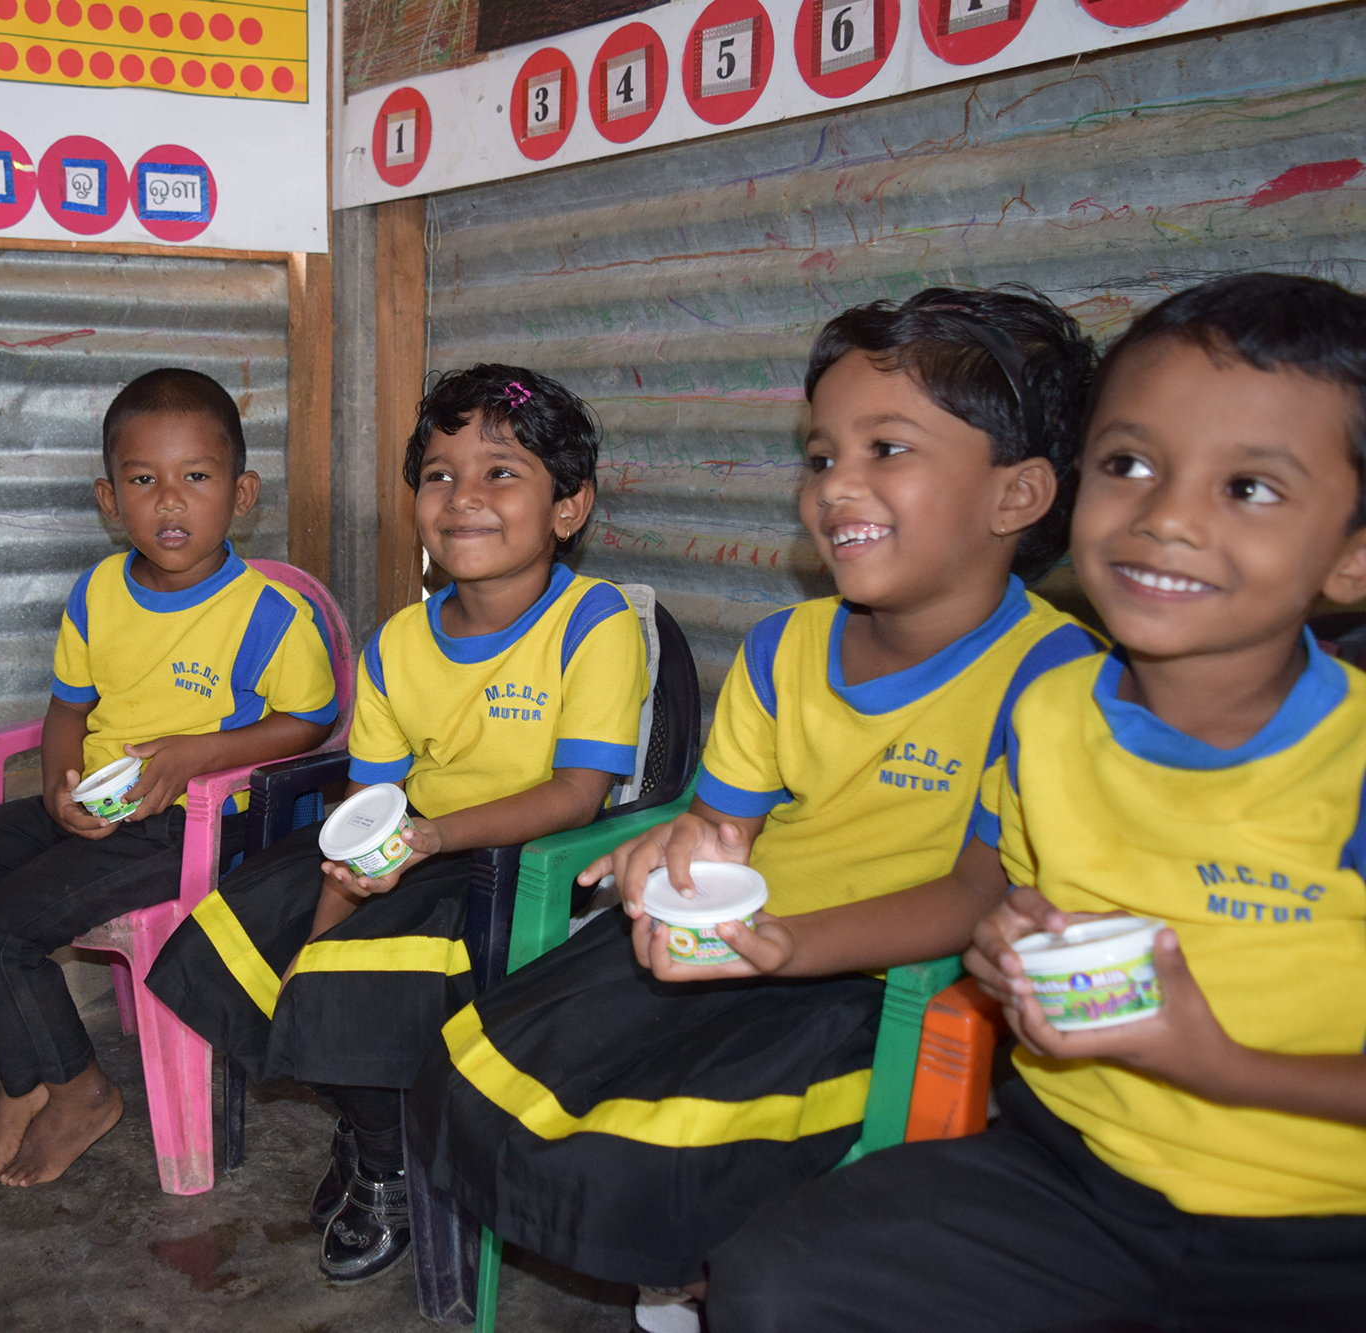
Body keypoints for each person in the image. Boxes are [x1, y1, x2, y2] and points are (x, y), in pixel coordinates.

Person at [404, 290, 1102, 1333]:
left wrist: (787, 946)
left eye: (885, 449)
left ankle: (700, 1274)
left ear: (1018, 494)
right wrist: (682, 841)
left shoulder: (1056, 679)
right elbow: (727, 817)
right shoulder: (785, 646)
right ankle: (685, 1268)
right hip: (740, 936)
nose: (836, 485)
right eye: (821, 457)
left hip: (876, 984)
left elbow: (977, 891)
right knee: (476, 1066)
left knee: (646, 1149)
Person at [707, 274, 1366, 1333]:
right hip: (1073, 1174)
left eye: (1247, 486)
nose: (1164, 517)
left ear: (1351, 555)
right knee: (774, 1282)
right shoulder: (1050, 714)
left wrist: (1222, 1064)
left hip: (1325, 1223)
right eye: (1129, 465)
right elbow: (1002, 897)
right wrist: (1004, 944)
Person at [147, 364, 650, 1285]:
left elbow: (578, 795)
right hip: (412, 844)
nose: (464, 498)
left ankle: (386, 1162)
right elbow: (364, 812)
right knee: (238, 942)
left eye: (501, 473)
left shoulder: (594, 620)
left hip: (525, 867)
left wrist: (424, 845)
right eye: (439, 475)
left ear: (568, 507)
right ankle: (371, 1122)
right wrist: (321, 928)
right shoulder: (397, 642)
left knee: (351, 985)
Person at [0, 368, 337, 1188]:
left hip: (192, 820)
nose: (171, 500)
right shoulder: (97, 592)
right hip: (98, 804)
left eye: (197, 476)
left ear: (241, 494)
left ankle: (80, 1091)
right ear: (109, 498)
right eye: (143, 479)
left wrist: (195, 754)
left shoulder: (269, 613)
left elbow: (310, 721)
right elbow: (68, 707)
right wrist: (60, 785)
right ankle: (26, 1066)